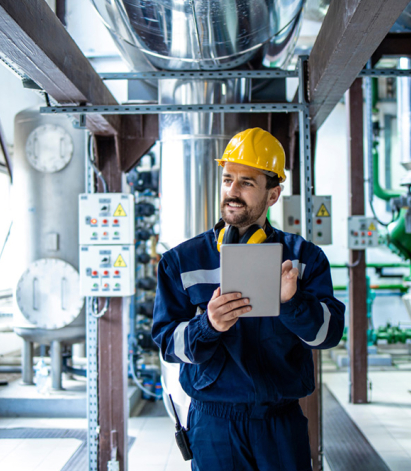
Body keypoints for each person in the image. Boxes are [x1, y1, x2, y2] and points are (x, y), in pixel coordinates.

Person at [152, 128, 344, 471]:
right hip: (214, 424)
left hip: (280, 422)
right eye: (228, 179)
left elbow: (327, 336)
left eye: (247, 182)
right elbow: (167, 344)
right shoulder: (182, 261)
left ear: (273, 194)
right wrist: (206, 326)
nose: (232, 191)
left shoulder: (303, 259)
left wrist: (292, 302)